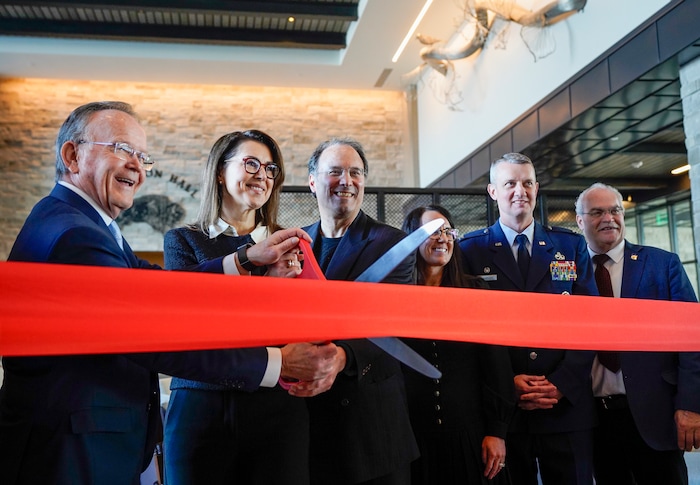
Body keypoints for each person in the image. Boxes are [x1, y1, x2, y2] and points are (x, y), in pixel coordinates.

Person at [0, 101, 339, 485]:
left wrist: (245, 258)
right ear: (72, 155)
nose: (136, 166)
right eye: (122, 149)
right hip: (69, 447)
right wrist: (277, 363)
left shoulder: (88, 226)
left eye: (143, 157)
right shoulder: (76, 235)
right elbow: (155, 337)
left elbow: (162, 287)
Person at [161, 129, 320, 484]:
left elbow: (307, 326)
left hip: (277, 406)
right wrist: (267, 282)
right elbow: (190, 322)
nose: (262, 175)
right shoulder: (183, 241)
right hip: (201, 405)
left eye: (269, 168)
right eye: (251, 163)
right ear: (220, 171)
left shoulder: (292, 243)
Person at [458, 152, 598, 485]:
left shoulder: (570, 246)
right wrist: (506, 384)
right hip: (503, 414)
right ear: (493, 191)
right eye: (510, 183)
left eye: (527, 183)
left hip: (564, 408)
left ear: (536, 188)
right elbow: (467, 330)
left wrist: (562, 382)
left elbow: (591, 321)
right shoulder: (469, 251)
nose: (520, 191)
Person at [297, 137, 419, 485]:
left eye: (355, 172)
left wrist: (343, 357)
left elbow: (394, 323)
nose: (346, 181)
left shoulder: (392, 243)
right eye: (335, 171)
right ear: (312, 182)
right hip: (306, 425)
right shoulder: (295, 244)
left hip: (371, 431)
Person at [575, 182, 700, 485]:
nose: (608, 218)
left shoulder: (662, 264)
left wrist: (691, 406)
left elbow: (692, 338)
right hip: (594, 421)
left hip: (655, 414)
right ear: (580, 221)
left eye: (615, 210)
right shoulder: (569, 273)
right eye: (597, 212)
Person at [401, 205, 515, 485]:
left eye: (447, 231)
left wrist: (497, 431)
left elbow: (496, 365)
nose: (442, 238)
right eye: (431, 232)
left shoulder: (475, 291)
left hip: (471, 435)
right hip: (412, 439)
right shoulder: (395, 297)